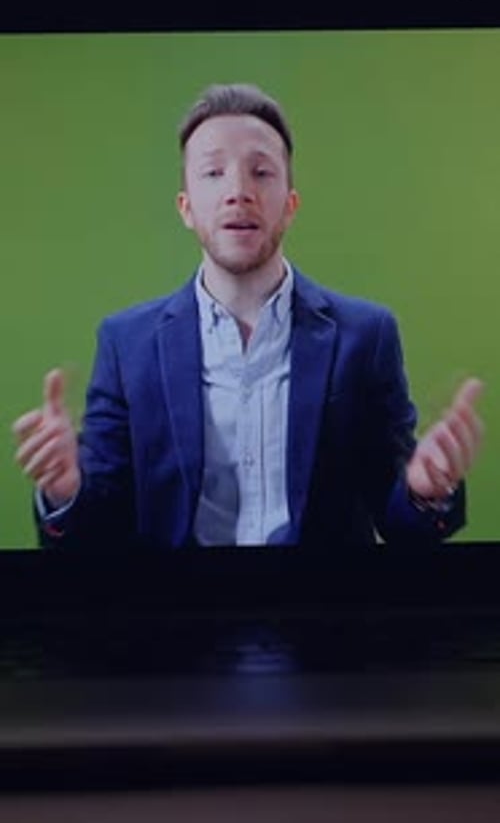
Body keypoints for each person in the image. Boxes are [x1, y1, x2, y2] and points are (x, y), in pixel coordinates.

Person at [12, 84, 483, 549]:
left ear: (291, 205)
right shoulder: (126, 344)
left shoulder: (366, 336)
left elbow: (401, 521)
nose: (239, 191)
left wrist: (425, 491)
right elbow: (97, 533)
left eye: (261, 172)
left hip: (321, 616)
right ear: (186, 208)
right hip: (177, 617)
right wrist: (65, 490)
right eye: (214, 173)